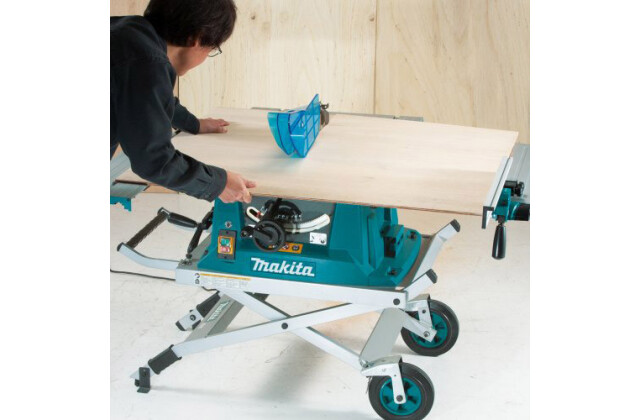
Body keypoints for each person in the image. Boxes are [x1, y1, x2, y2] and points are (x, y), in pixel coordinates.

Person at [111, 0, 255, 203]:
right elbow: (153, 160)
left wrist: (194, 123)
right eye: (211, 49)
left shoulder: (129, 33)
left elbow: (151, 99)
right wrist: (218, 183)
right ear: (197, 38)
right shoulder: (147, 64)